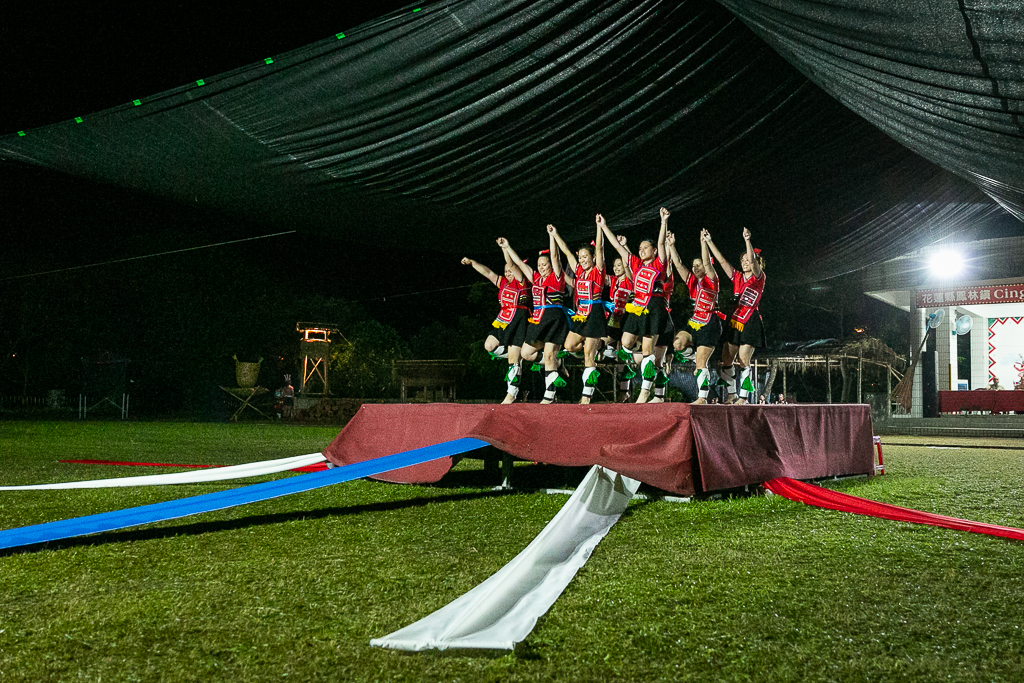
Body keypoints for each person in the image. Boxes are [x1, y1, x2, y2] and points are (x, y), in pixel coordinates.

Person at [601, 208, 671, 403]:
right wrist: (604, 226)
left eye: (645, 248)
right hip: (637, 306)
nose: (641, 251)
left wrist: (663, 221)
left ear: (654, 251)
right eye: (639, 248)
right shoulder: (635, 264)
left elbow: (661, 243)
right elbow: (617, 247)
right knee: (625, 342)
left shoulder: (659, 264)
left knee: (648, 350)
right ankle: (640, 359)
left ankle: (645, 391)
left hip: (654, 305)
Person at [503, 228, 569, 404]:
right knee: (526, 353)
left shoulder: (557, 277)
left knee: (548, 354)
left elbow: (555, 257)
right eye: (539, 265)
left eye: (544, 265)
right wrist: (508, 247)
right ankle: (557, 363)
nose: (541, 267)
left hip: (554, 317)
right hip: (538, 320)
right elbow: (519, 264)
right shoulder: (536, 278)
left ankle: (549, 394)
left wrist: (552, 236)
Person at [461, 243, 530, 403]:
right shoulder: (502, 282)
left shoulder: (521, 283)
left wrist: (505, 249)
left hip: (519, 319)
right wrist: (472, 262)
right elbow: (488, 272)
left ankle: (511, 393)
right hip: (503, 320)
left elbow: (513, 265)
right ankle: (518, 356)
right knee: (489, 346)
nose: (508, 273)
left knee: (513, 360)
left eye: (510, 271)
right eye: (505, 271)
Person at [706, 227, 766, 404]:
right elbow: (723, 262)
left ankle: (744, 397)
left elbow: (754, 263)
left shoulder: (759, 277)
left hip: (750, 320)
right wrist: (709, 242)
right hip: (735, 319)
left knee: (743, 359)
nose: (745, 262)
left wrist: (747, 240)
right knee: (726, 358)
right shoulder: (738, 277)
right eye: (743, 260)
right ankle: (731, 394)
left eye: (748, 259)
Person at [551, 218, 606, 404]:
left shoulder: (598, 270)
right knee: (570, 346)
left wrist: (600, 227)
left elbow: (599, 249)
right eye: (580, 257)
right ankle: (599, 347)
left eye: (586, 257)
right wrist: (554, 234)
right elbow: (566, 252)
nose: (582, 260)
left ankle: (586, 396)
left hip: (595, 311)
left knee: (588, 355)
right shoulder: (579, 272)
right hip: (581, 313)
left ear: (592, 258)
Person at [668, 228, 723, 404]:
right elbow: (678, 265)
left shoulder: (712, 280)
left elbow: (707, 264)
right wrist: (671, 246)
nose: (696, 267)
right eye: (694, 265)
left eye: (698, 265)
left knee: (701, 365)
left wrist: (703, 242)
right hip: (694, 322)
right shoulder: (692, 281)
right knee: (677, 343)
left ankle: (702, 397)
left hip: (710, 324)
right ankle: (693, 355)